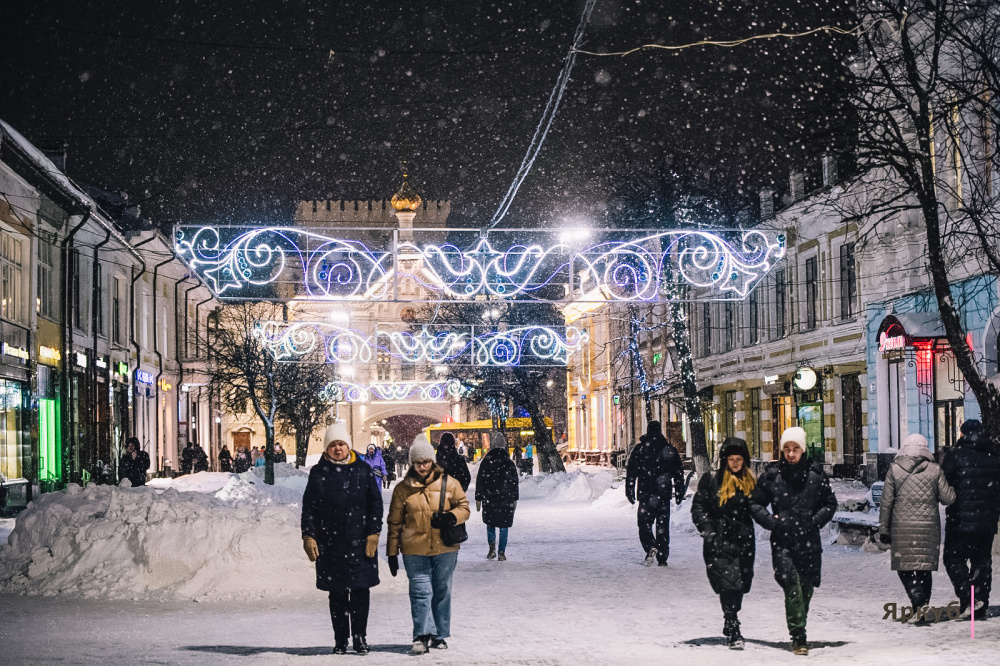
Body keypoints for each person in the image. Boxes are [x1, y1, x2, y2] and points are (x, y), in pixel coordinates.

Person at [749, 427, 837, 656]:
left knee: (806, 588)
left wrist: (814, 521)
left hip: (809, 541)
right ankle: (799, 636)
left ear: (803, 450)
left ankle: (798, 624)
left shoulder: (816, 475)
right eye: (787, 449)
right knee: (792, 586)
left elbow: (829, 503)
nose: (790, 453)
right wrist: (772, 522)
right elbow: (754, 504)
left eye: (795, 449)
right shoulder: (772, 476)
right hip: (783, 542)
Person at [302, 421, 383, 655]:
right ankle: (340, 639)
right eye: (333, 445)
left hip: (360, 542)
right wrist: (309, 535)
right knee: (337, 594)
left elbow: (375, 504)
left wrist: (373, 533)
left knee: (360, 591)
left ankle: (359, 636)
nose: (337, 449)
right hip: (331, 543)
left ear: (348, 446)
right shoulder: (319, 473)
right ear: (327, 448)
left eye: (341, 444)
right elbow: (310, 508)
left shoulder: (363, 469)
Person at [387, 435, 470, 655]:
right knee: (420, 592)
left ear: (432, 462)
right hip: (414, 550)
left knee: (442, 590)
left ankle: (440, 634)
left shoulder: (449, 484)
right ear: (412, 463)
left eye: (426, 462)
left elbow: (464, 508)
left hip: (445, 548)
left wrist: (451, 517)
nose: (422, 466)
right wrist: (392, 552)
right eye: (418, 462)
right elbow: (394, 523)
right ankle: (422, 635)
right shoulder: (402, 489)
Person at [878, 433, 955, 623]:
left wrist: (884, 530)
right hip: (928, 527)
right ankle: (920, 607)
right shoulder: (935, 470)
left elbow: (886, 502)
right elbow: (948, 498)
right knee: (923, 567)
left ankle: (917, 600)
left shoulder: (894, 469)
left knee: (903, 566)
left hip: (901, 526)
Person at [691, 438, 757, 649]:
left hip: (744, 542)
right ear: (724, 460)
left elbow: (762, 508)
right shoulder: (712, 481)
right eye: (731, 459)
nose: (735, 463)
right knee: (728, 584)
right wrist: (708, 530)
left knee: (741, 584)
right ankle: (732, 623)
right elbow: (699, 507)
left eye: (739, 459)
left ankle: (731, 617)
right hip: (719, 541)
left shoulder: (750, 482)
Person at [941, 419, 1000, 620]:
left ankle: (969, 597)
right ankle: (980, 603)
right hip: (986, 521)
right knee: (981, 561)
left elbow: (944, 484)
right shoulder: (994, 456)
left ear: (962, 433)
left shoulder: (955, 456)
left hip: (960, 519)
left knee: (953, 558)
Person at [624, 420, 685, 566]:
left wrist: (630, 490)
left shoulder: (640, 449)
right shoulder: (669, 450)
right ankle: (662, 556)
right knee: (662, 526)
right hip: (663, 494)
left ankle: (651, 545)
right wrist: (679, 491)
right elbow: (678, 472)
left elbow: (631, 471)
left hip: (646, 493)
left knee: (644, 523)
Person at [475, 432, 519, 561]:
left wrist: (479, 497)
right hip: (506, 499)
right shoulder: (509, 463)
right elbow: (514, 482)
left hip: (490, 499)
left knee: (490, 524)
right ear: (504, 446)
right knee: (504, 527)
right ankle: (501, 552)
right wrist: (515, 498)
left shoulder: (486, 462)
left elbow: (480, 481)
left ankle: (492, 549)